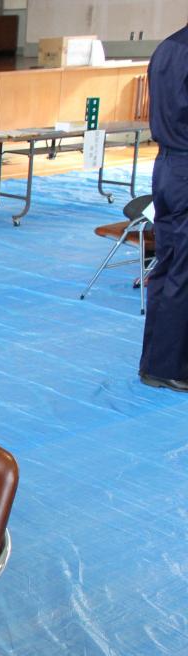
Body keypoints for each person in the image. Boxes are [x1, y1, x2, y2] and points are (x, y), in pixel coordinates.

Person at [139, 25, 188, 392]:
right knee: (182, 269)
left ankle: (157, 362)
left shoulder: (167, 47)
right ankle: (170, 365)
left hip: (167, 166)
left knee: (169, 263)